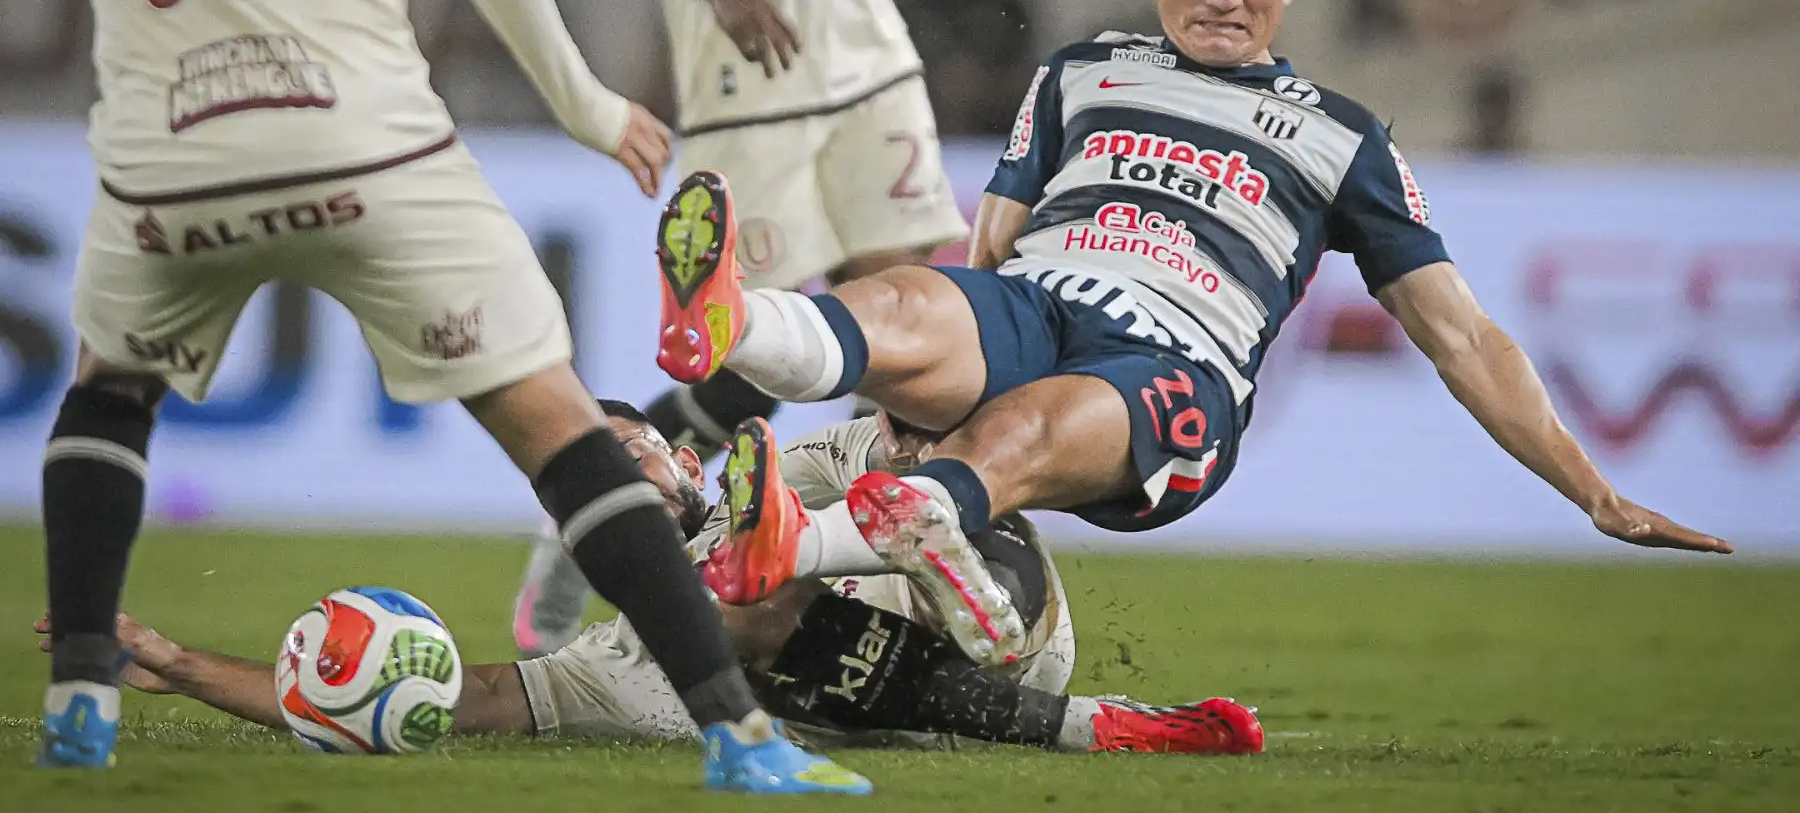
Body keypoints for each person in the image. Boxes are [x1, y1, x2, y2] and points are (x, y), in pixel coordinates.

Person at [0, 0, 865, 791]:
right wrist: (583, 100)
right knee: (561, 426)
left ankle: (81, 691)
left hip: (169, 155)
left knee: (110, 391)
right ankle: (738, 734)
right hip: (362, 141)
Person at [656, 0, 1737, 666]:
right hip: (1037, 304)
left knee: (1022, 426)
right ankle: (734, 333)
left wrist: (1591, 491)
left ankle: (841, 526)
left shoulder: (1343, 137)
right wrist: (912, 380)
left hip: (1171, 371)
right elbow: (988, 253)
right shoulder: (1079, 74)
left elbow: (1461, 335)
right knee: (902, 297)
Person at [515, 0, 968, 656]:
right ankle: (587, 502)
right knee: (755, 354)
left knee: (905, 341)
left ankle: (883, 589)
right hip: (748, 75)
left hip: (876, 64)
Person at [37, 403, 1263, 758]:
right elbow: (455, 699)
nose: (606, 496)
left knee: (912, 460)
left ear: (681, 455)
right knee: (734, 616)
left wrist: (903, 436)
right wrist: (186, 668)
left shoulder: (805, 452)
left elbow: (935, 430)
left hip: (1008, 590)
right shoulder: (616, 664)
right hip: (965, 679)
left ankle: (907, 554)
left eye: (626, 457)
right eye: (582, 500)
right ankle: (1092, 726)